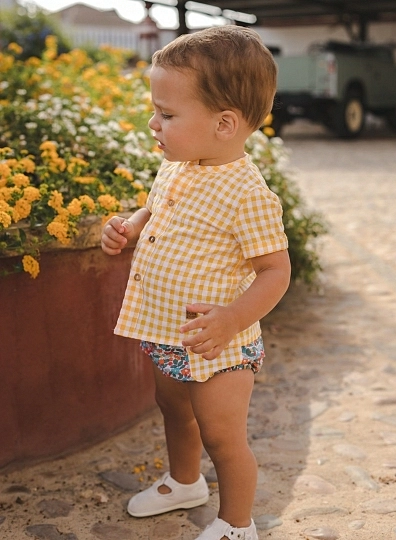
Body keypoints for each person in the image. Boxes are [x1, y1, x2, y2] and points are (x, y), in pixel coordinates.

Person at [101, 25, 291, 540]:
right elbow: (158, 206)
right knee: (173, 409)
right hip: (166, 329)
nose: (152, 122)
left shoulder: (247, 193)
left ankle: (237, 524)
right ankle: (185, 481)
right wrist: (132, 225)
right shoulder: (182, 163)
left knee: (223, 436)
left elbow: (276, 271)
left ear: (224, 123)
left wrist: (231, 318)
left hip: (218, 344)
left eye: (167, 114)